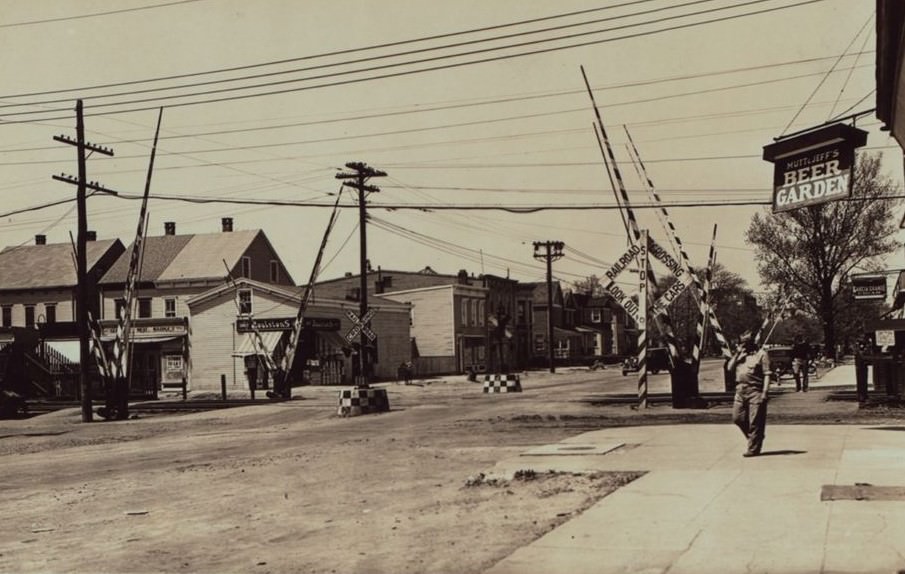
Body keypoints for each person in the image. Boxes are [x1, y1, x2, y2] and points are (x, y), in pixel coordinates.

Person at [727, 332, 773, 457]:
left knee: (755, 421)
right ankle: (756, 437)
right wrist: (737, 354)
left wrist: (765, 392)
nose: (743, 345)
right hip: (740, 390)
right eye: (742, 343)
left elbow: (767, 374)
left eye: (746, 343)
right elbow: (729, 368)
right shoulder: (740, 355)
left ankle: (753, 448)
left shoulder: (762, 354)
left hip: (755, 390)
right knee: (737, 418)